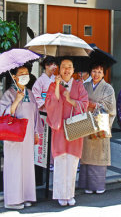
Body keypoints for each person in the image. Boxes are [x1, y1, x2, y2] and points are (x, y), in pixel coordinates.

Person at [45, 58, 89, 206]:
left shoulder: (79, 86)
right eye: (64, 67)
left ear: (73, 69)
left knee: (72, 162)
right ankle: (60, 195)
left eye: (69, 67)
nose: (67, 69)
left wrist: (70, 100)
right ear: (59, 69)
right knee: (60, 161)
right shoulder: (53, 85)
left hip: (75, 127)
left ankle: (69, 194)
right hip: (60, 127)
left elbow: (85, 104)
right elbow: (50, 103)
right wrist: (57, 85)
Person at [0, 66, 43, 210]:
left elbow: (36, 115)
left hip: (28, 136)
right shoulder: (9, 94)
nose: (25, 75)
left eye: (26, 73)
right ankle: (13, 200)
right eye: (21, 73)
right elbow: (4, 115)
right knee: (14, 167)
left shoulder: (30, 93)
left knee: (27, 167)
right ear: (14, 76)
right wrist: (16, 101)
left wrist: (37, 132)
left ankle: (26, 196)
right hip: (14, 137)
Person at [79, 62, 116, 194]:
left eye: (100, 72)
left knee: (99, 154)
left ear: (103, 74)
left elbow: (111, 107)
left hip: (100, 123)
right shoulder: (85, 86)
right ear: (90, 72)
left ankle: (98, 186)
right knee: (87, 153)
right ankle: (87, 185)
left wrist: (94, 105)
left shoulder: (108, 88)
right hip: (86, 123)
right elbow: (79, 101)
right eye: (94, 71)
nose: (96, 74)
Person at [32, 57, 57, 171]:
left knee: (54, 138)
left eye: (56, 65)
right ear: (46, 65)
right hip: (44, 113)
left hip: (55, 112)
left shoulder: (55, 79)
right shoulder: (40, 80)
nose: (55, 67)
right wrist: (44, 104)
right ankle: (44, 161)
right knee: (45, 137)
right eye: (52, 64)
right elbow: (35, 95)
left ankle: (52, 161)